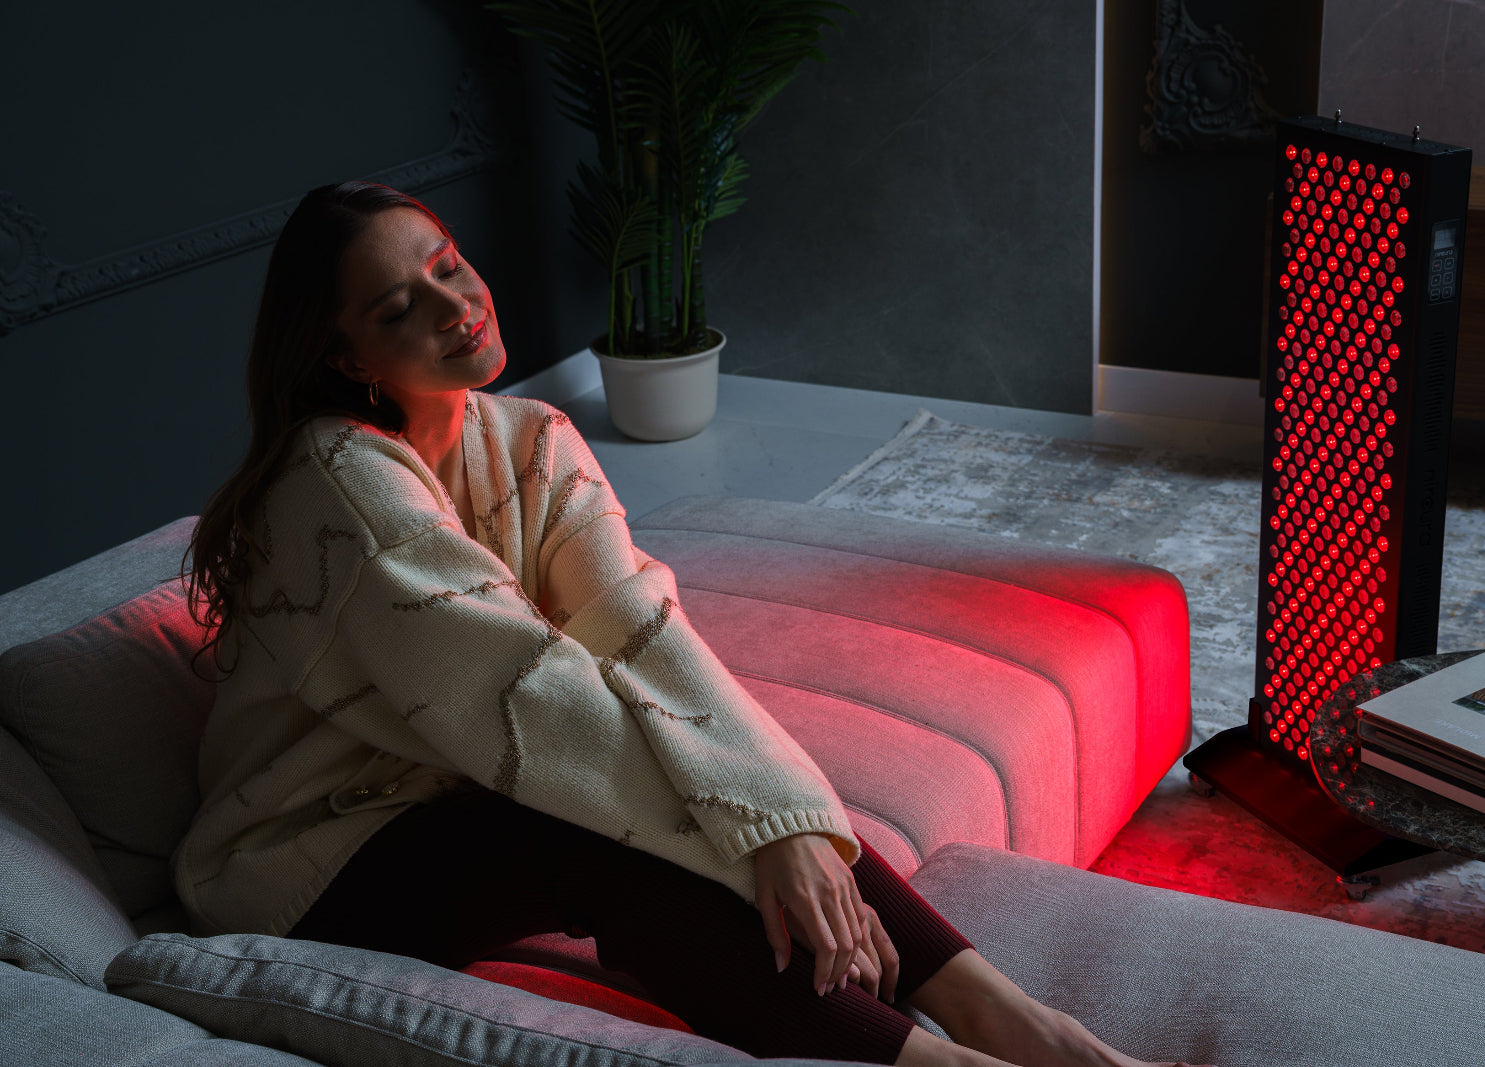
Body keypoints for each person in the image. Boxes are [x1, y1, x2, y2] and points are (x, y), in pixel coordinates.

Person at [177, 180, 1209, 1067]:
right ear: (347, 354)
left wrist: (785, 820)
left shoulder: (531, 436)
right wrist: (750, 831)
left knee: (762, 799)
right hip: (317, 860)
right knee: (616, 832)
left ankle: (1023, 1023)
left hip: (464, 789)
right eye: (403, 307)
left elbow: (640, 635)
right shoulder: (336, 480)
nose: (456, 306)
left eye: (449, 266)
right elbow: (528, 688)